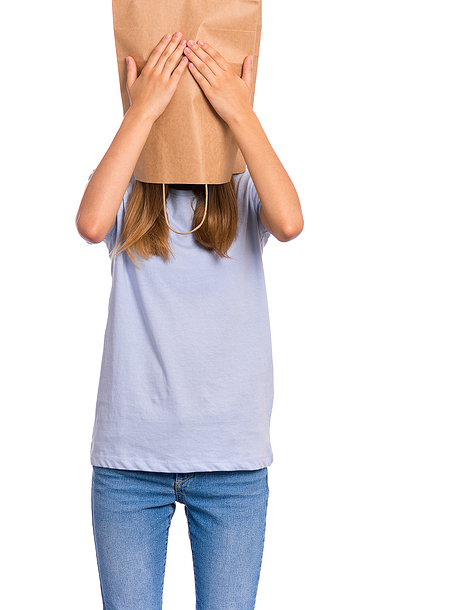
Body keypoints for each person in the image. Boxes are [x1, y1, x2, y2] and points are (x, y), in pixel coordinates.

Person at [76, 31, 303, 610]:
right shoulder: (129, 194)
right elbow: (91, 223)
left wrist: (238, 111)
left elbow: (292, 222)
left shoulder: (245, 192)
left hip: (231, 463)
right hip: (131, 462)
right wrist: (142, 110)